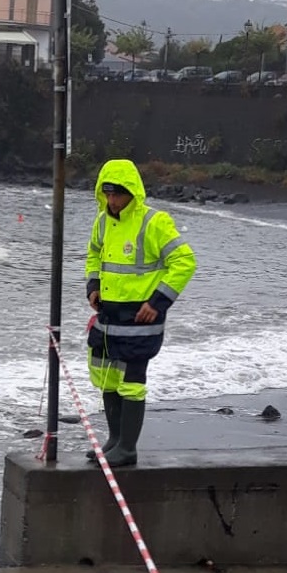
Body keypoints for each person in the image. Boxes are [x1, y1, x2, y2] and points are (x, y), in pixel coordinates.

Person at [83, 159, 197, 468]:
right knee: (107, 379)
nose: (111, 201)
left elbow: (184, 261)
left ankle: (127, 448)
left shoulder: (154, 222)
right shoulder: (103, 221)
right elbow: (94, 252)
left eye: (117, 194)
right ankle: (114, 441)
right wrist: (93, 284)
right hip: (108, 317)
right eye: (106, 194)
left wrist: (158, 302)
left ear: (132, 192)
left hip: (140, 318)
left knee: (131, 383)